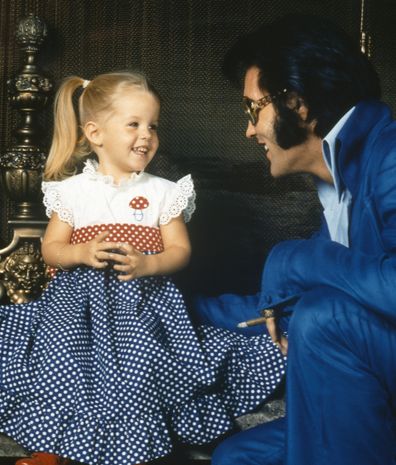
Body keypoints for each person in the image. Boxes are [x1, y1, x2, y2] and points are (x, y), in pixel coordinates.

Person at [0, 71, 286, 465]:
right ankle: (53, 450)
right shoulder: (72, 192)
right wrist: (80, 254)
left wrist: (149, 262)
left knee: (142, 369)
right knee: (57, 358)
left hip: (141, 306)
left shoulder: (162, 192)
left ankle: (137, 444)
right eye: (133, 124)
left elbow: (180, 251)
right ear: (95, 133)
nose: (147, 135)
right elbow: (51, 249)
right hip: (76, 309)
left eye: (153, 125)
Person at [211, 13, 396, 465]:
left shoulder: (390, 154)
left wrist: (292, 258)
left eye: (253, 109)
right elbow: (276, 304)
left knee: (322, 315)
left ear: (296, 104)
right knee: (237, 459)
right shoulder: (337, 189)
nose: (249, 130)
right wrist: (162, 301)